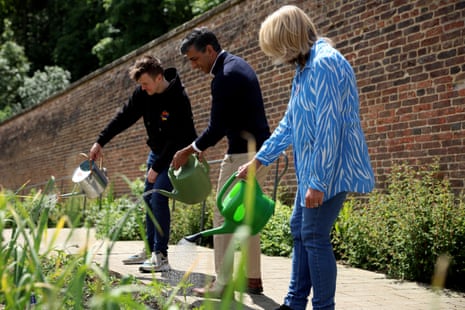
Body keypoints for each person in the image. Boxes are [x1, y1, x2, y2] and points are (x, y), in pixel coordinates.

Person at [237, 5, 375, 310]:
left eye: (275, 48)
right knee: (300, 229)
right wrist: (258, 161)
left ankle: (322, 307)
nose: (276, 57)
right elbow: (289, 124)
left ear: (288, 39)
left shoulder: (325, 64)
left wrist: (317, 182)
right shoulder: (304, 70)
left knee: (313, 235)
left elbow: (329, 129)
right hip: (315, 169)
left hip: (328, 170)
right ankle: (294, 303)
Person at [171, 27, 271, 297]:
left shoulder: (225, 76)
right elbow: (229, 122)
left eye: (194, 58)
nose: (193, 66)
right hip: (259, 153)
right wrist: (202, 145)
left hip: (241, 157)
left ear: (210, 50)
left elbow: (216, 127)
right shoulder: (237, 66)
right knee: (248, 217)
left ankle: (222, 284)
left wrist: (189, 150)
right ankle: (253, 279)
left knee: (223, 214)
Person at [89, 55, 197, 272]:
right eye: (141, 85)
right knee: (147, 199)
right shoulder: (144, 93)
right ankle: (149, 251)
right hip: (157, 152)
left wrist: (157, 168)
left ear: (158, 78)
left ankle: (161, 257)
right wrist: (100, 141)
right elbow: (124, 117)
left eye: (145, 83)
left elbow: (178, 138)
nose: (143, 88)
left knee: (158, 196)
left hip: (177, 155)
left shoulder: (178, 98)